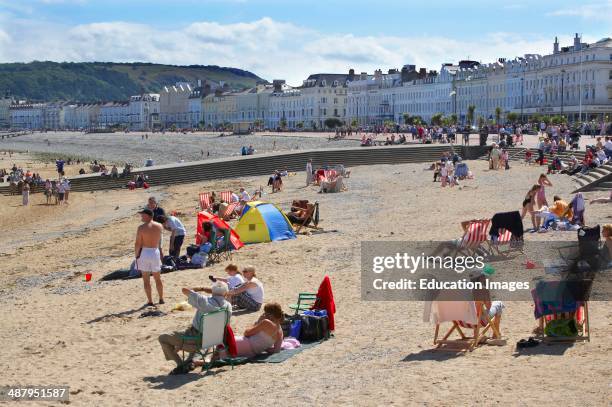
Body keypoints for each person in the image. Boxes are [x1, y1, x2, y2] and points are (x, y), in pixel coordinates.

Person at [158, 281, 232, 374]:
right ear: (225, 293)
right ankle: (189, 361)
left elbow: (185, 290)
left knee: (163, 338)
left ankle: (181, 365)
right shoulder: (228, 306)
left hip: (196, 340)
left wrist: (202, 288)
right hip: (213, 340)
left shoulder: (204, 300)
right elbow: (226, 326)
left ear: (212, 291)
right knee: (186, 332)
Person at [217, 302, 284, 360]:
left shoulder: (266, 322)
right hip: (253, 353)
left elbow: (246, 333)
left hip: (247, 343)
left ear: (270, 315)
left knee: (221, 339)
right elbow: (276, 350)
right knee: (225, 343)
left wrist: (258, 322)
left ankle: (215, 357)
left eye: (265, 313)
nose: (264, 314)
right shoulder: (280, 331)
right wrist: (263, 348)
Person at [135, 208, 164, 306]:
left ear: (148, 215)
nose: (141, 216)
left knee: (146, 279)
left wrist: (136, 255)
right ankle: (161, 298)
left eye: (143, 215)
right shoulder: (159, 226)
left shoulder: (141, 228)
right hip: (155, 252)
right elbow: (159, 240)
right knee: (157, 278)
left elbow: (138, 243)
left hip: (145, 252)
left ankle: (150, 301)